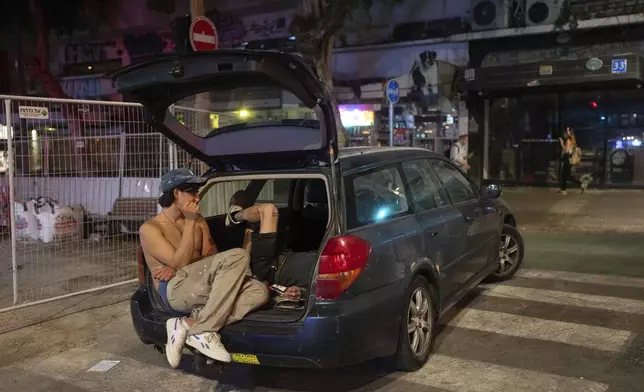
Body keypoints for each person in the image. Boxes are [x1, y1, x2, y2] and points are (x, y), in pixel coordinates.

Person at [138, 169, 269, 369]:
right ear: (176, 193)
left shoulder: (199, 220)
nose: (198, 197)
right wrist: (190, 224)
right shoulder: (151, 229)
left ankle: (191, 325)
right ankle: (203, 330)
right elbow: (181, 262)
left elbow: (211, 256)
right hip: (175, 290)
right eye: (193, 192)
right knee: (239, 255)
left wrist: (179, 265)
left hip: (201, 281)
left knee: (259, 291)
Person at [226, 190, 312, 303]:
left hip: (280, 268)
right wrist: (236, 216)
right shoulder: (238, 230)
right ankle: (234, 216)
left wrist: (299, 290)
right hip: (265, 266)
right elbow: (268, 210)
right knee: (269, 210)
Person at [559, 127, 582, 195]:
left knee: (565, 174)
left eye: (565, 133)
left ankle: (564, 190)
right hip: (569, 158)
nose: (564, 134)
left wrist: (562, 143)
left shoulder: (568, 141)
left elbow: (566, 150)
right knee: (566, 175)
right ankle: (564, 189)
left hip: (567, 158)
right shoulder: (572, 140)